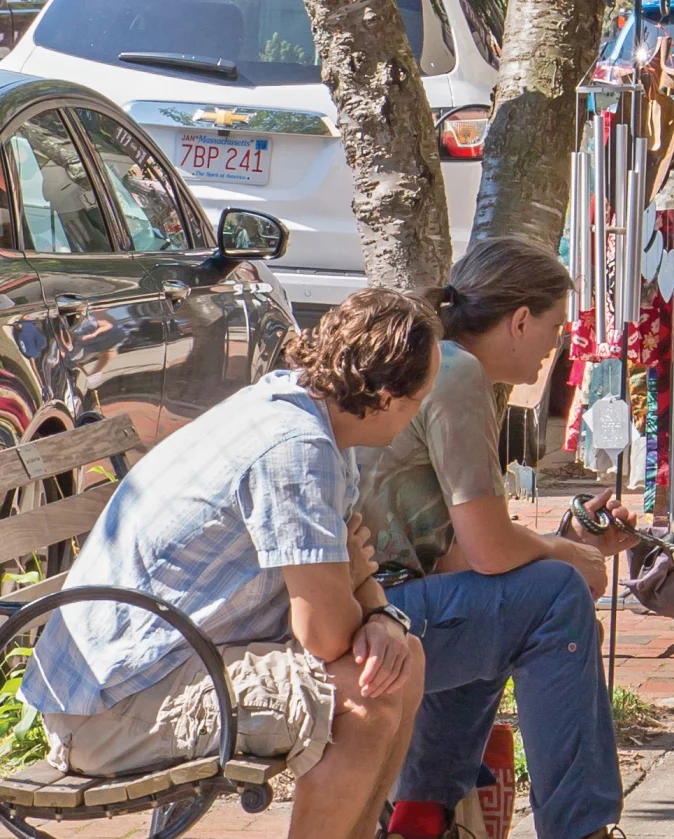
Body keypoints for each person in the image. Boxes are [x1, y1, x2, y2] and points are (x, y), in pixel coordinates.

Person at [22, 289, 438, 838]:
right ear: (388, 398)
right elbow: (326, 633)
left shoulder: (304, 413)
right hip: (111, 711)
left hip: (154, 671)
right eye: (421, 398)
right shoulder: (297, 448)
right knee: (363, 695)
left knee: (401, 659)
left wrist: (383, 616)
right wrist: (358, 581)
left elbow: (349, 565)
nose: (421, 411)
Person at [354, 239, 638, 839]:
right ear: (518, 321)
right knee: (553, 594)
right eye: (555, 328)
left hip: (373, 606)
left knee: (511, 596)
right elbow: (488, 548)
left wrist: (562, 539)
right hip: (372, 619)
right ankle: (580, 829)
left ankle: (423, 818)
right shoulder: (455, 372)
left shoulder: (440, 361)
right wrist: (568, 554)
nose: (556, 346)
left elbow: (470, 555)